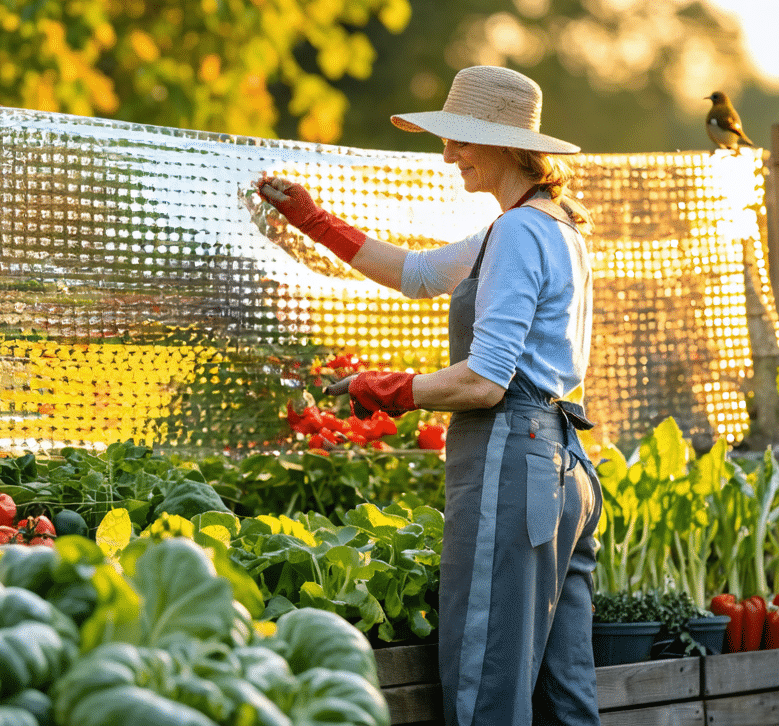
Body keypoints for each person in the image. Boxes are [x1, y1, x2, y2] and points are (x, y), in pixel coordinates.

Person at [256, 65, 603, 726]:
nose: (447, 155)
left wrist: (384, 388)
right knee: (564, 698)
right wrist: (313, 221)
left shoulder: (521, 232)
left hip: (513, 459)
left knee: (484, 685)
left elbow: (484, 380)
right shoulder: (550, 227)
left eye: (461, 141)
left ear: (506, 143)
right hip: (564, 471)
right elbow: (418, 274)